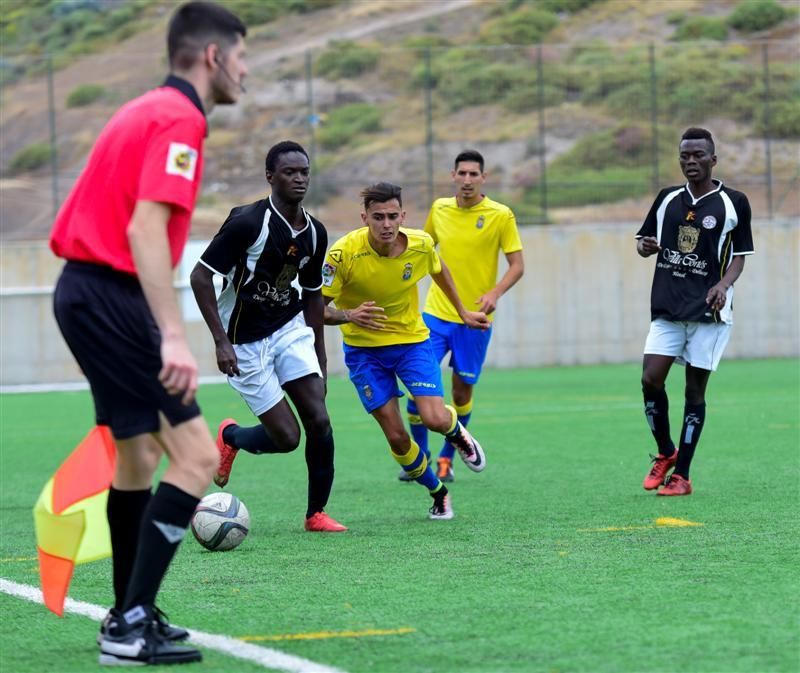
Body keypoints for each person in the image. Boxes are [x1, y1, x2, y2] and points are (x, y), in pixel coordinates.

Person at [49, 2, 247, 666]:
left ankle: (130, 613)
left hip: (85, 292)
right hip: (110, 295)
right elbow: (142, 231)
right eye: (242, 57)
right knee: (194, 456)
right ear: (212, 57)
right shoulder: (181, 119)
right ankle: (129, 620)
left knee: (138, 456)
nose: (246, 71)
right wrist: (171, 335)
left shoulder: (144, 110)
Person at [190, 141, 347, 533]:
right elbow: (200, 276)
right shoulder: (248, 222)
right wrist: (221, 342)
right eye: (290, 172)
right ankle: (231, 437)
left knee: (319, 419)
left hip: (288, 328)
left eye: (304, 172)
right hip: (243, 341)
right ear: (270, 177)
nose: (299, 179)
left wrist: (320, 359)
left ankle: (316, 514)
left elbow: (313, 296)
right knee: (288, 437)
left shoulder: (315, 232)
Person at [322, 182, 490, 520]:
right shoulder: (342, 254)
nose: (386, 224)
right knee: (398, 438)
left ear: (403, 216)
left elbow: (440, 272)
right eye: (378, 217)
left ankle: (456, 432)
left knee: (434, 418)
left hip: (411, 342)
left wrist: (462, 312)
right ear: (364, 218)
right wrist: (349, 315)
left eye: (392, 216)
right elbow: (316, 308)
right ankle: (438, 492)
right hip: (363, 352)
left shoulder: (421, 245)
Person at [637, 127, 753, 496]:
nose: (690, 161)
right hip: (668, 307)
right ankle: (666, 451)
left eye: (698, 155)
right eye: (685, 155)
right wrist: (646, 246)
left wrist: (723, 285)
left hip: (709, 312)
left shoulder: (734, 202)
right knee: (650, 379)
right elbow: (643, 241)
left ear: (713, 160)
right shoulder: (667, 199)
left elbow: (740, 256)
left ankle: (682, 476)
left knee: (693, 392)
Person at [402, 149, 524, 483]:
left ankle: (447, 459)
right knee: (418, 387)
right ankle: (420, 458)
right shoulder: (440, 209)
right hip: (436, 314)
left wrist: (494, 293)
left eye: (474, 174)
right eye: (462, 174)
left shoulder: (501, 215)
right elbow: (424, 251)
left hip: (476, 319)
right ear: (453, 176)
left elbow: (517, 265)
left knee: (461, 393)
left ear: (483, 178)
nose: (467, 180)